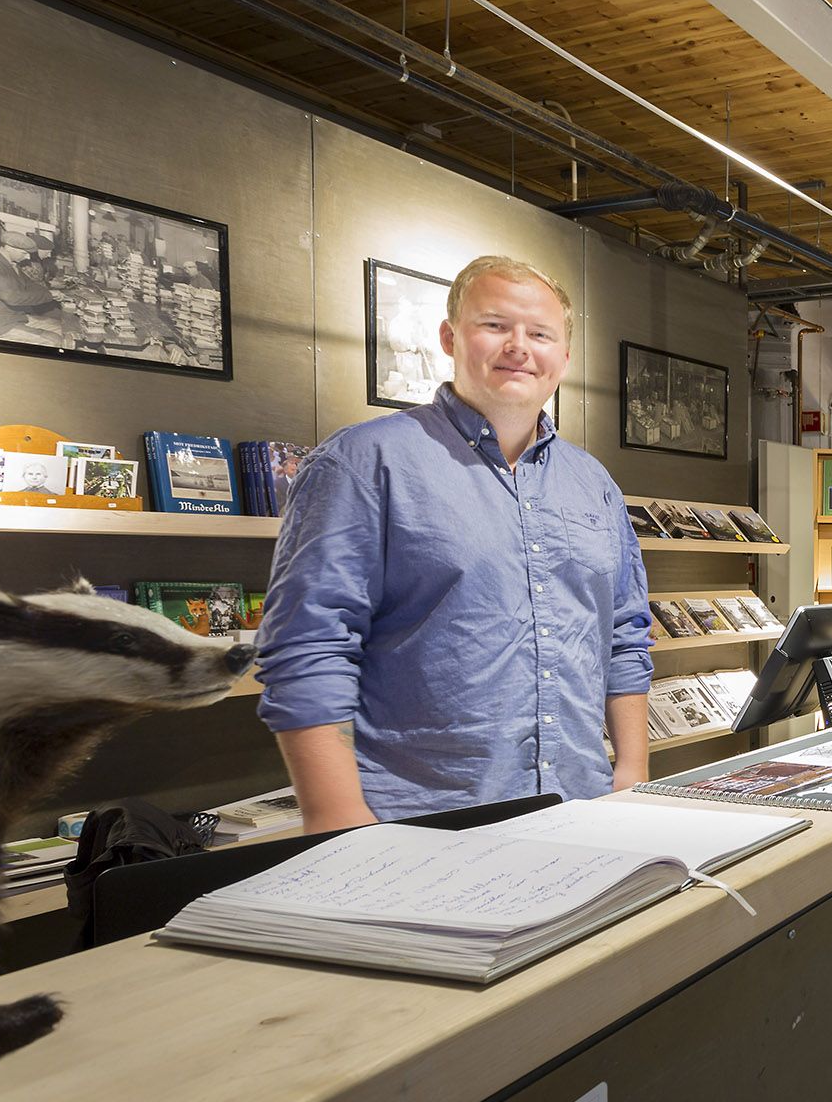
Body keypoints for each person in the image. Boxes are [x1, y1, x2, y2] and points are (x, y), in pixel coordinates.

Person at [257, 255, 653, 831]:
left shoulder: (593, 483)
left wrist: (632, 769)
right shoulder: (364, 463)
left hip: (582, 807)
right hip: (420, 820)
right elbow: (309, 643)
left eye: (540, 334)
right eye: (495, 325)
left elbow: (623, 633)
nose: (519, 346)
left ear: (564, 357)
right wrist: (335, 815)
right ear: (450, 336)